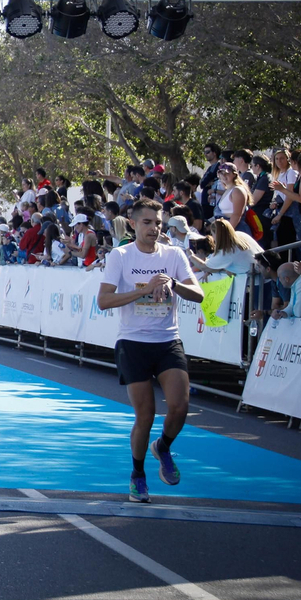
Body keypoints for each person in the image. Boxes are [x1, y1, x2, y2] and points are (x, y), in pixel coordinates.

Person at [96, 198, 205, 504]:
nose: (154, 228)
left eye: (158, 223)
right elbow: (103, 301)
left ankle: (164, 447)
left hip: (168, 340)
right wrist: (143, 290)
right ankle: (138, 475)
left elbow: (197, 294)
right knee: (145, 415)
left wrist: (173, 283)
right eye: (147, 222)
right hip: (133, 342)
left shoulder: (174, 255)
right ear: (133, 223)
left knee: (180, 406)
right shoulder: (121, 256)